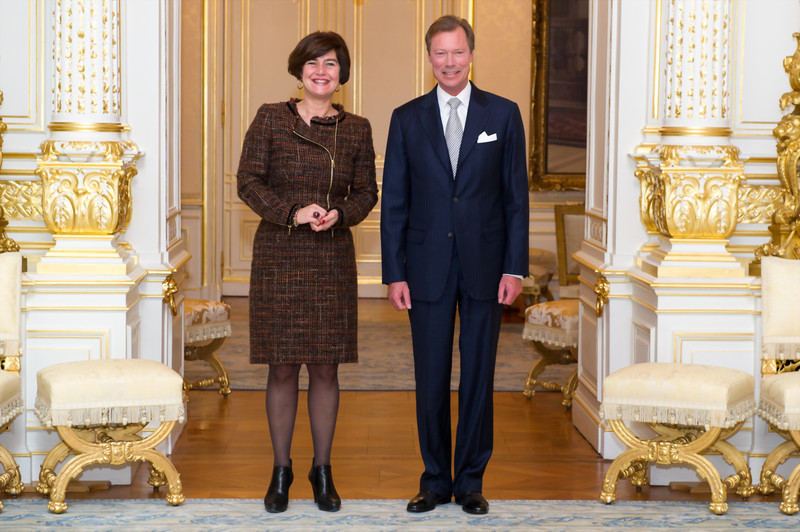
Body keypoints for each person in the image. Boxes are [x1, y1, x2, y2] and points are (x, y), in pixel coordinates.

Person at [380, 15, 529, 515]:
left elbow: (516, 200)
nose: (449, 62)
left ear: (471, 54)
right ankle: (434, 480)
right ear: (429, 57)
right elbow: (395, 202)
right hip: (425, 266)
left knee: (478, 377)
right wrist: (394, 273)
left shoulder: (503, 114)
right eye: (440, 53)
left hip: (487, 264)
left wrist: (515, 268)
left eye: (457, 52)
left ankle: (470, 482)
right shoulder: (406, 118)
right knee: (430, 377)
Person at [236, 31, 378, 514]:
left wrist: (341, 213)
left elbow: (367, 192)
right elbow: (248, 181)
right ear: (299, 70)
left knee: (324, 366)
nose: (322, 71)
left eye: (331, 63)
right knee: (281, 366)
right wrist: (292, 212)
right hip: (279, 254)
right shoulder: (270, 118)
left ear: (342, 74)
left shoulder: (357, 128)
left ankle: (322, 470)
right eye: (314, 62)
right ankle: (281, 470)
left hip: (330, 257)